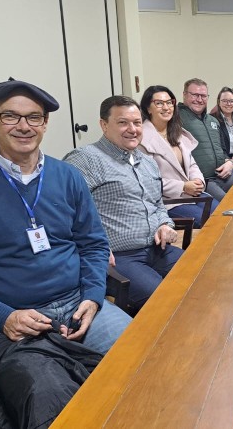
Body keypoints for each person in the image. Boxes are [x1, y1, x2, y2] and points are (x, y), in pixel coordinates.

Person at [0, 78, 130, 355]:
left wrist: (93, 297)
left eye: (34, 117)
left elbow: (94, 244)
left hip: (77, 304)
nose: (24, 126)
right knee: (49, 392)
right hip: (13, 318)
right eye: (10, 116)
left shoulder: (68, 176)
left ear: (45, 123)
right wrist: (2, 316)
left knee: (142, 353)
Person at [64, 95, 183, 311]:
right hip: (118, 258)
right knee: (166, 301)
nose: (132, 129)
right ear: (104, 125)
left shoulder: (146, 161)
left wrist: (166, 225)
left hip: (157, 249)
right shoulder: (85, 159)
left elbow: (157, 204)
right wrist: (92, 248)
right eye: (122, 123)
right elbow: (66, 214)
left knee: (202, 277)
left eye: (137, 123)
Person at [137, 85, 219, 228]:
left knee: (223, 214)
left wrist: (197, 180)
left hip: (192, 194)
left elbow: (192, 164)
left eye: (169, 102)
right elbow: (146, 181)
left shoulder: (177, 132)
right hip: (167, 201)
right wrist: (183, 186)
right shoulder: (141, 139)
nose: (166, 107)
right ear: (148, 108)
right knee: (210, 224)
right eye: (159, 103)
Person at [177, 78, 233, 201]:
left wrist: (229, 163)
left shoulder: (213, 121)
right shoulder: (175, 119)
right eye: (194, 95)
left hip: (222, 175)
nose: (199, 99)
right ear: (184, 95)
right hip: (203, 181)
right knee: (229, 203)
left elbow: (222, 149)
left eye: (203, 96)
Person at [209, 86, 233, 177]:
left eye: (231, 101)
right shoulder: (212, 120)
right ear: (219, 102)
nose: (228, 104)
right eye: (225, 101)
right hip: (221, 164)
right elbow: (216, 148)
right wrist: (229, 161)